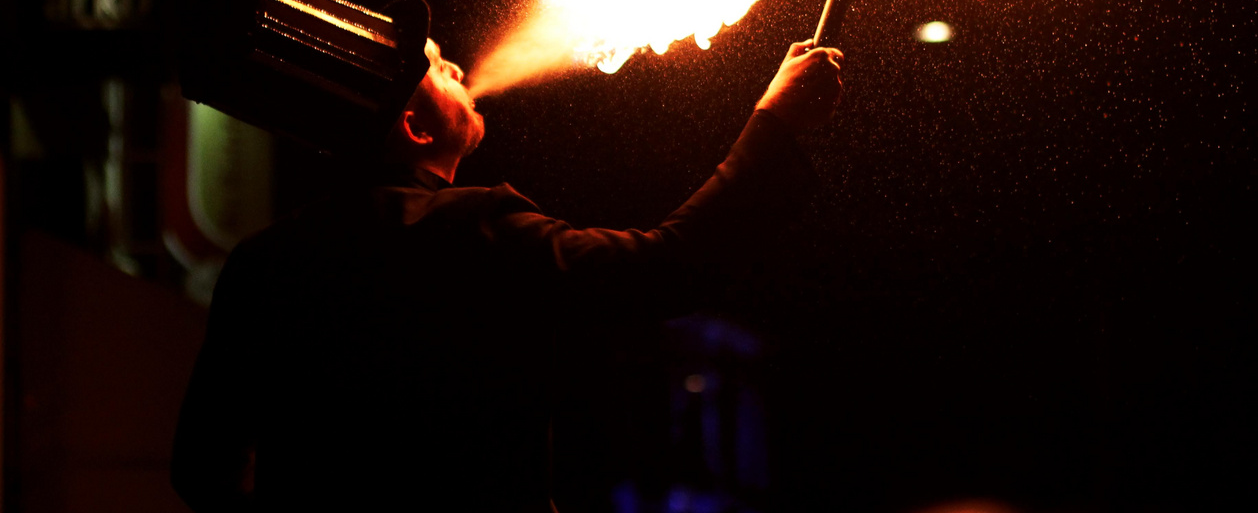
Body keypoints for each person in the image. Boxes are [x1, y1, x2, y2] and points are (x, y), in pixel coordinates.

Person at [171, 36, 844, 512]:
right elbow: (660, 271)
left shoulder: (264, 263)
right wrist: (773, 126)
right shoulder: (469, 231)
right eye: (432, 65)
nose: (456, 63)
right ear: (413, 126)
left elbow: (202, 473)